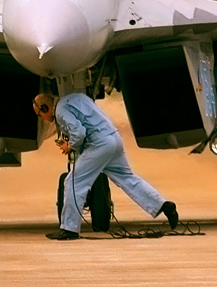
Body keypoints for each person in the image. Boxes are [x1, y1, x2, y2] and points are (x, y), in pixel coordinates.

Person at [32, 92, 179, 240]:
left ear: (45, 108)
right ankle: (163, 205)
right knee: (127, 178)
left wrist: (70, 146)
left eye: (40, 115)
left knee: (73, 182)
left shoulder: (60, 110)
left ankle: (69, 229)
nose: (42, 119)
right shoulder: (77, 97)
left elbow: (79, 132)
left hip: (99, 144)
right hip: (113, 139)